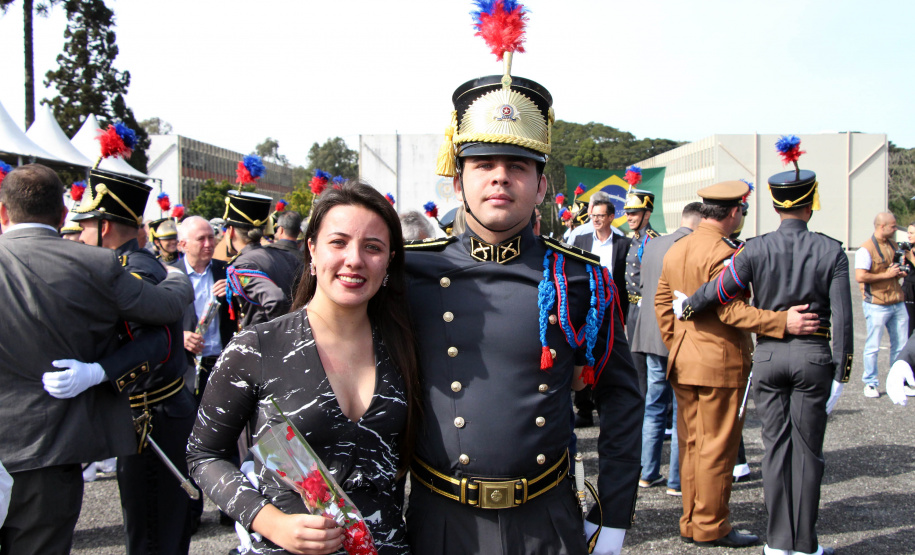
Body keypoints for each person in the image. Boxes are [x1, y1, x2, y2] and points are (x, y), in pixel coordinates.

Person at [404, 66, 642, 553]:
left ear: (540, 185)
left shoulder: (582, 280)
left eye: (517, 165)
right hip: (440, 523)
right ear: (458, 181)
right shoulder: (406, 274)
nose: (499, 176)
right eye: (483, 162)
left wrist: (613, 513)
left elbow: (621, 397)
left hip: (546, 522)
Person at [187, 182, 419, 554]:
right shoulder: (258, 346)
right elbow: (204, 455)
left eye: (372, 247)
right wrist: (269, 521)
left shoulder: (405, 348)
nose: (355, 259)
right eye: (338, 242)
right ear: (311, 249)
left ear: (390, 259)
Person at [0, 164, 192, 555]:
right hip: (49, 449)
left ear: (3, 212)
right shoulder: (94, 265)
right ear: (60, 216)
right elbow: (166, 306)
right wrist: (177, 274)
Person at [675, 154, 852, 555]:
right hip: (813, 358)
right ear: (810, 202)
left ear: (775, 205)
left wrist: (688, 307)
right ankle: (802, 542)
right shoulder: (832, 252)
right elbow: (842, 322)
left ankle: (776, 542)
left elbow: (720, 291)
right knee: (807, 455)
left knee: (775, 451)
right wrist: (842, 372)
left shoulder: (755, 249)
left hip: (769, 358)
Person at [655, 180, 818, 549]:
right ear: (733, 213)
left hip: (684, 360)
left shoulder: (678, 247)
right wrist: (782, 322)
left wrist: (677, 341)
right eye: (741, 210)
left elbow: (663, 303)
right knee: (717, 449)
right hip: (720, 363)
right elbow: (732, 311)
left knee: (692, 445)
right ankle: (711, 525)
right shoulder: (727, 252)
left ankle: (692, 521)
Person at [70, 169, 196, 554]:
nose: (80, 235)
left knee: (151, 533)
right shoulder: (135, 264)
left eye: (85, 225)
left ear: (104, 226)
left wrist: (100, 373)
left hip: (152, 417)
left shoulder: (132, 271)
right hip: (157, 414)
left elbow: (156, 344)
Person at [631, 202, 702, 495]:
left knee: (654, 407)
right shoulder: (693, 245)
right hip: (680, 336)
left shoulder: (654, 243)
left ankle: (648, 472)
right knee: (681, 413)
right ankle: (676, 480)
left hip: (650, 335)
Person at [571, 195, 632, 427]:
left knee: (611, 357)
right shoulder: (582, 241)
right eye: (593, 215)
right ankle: (584, 409)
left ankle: (609, 405)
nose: (595, 220)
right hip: (587, 310)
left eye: (600, 216)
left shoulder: (623, 244)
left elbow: (626, 283)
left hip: (613, 310)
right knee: (585, 357)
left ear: (611, 217)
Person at [170, 216, 235, 403]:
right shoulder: (169, 274)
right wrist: (179, 336)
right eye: (201, 239)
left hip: (222, 365)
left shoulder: (226, 270)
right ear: (183, 244)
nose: (208, 244)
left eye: (211, 237)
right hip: (187, 369)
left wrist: (234, 292)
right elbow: (155, 322)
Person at [223, 191, 300, 329]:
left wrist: (261, 334)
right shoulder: (286, 256)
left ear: (231, 231)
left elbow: (275, 299)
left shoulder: (241, 265)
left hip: (264, 345)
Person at [855, 212, 908, 398]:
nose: (895, 229)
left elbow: (894, 270)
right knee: (873, 346)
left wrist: (899, 273)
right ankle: (870, 383)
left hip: (897, 301)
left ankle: (898, 381)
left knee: (901, 345)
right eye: (893, 226)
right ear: (881, 227)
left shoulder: (894, 245)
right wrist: (887, 275)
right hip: (877, 304)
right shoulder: (865, 249)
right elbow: (860, 276)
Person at [624, 188, 660, 396]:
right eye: (628, 212)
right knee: (635, 361)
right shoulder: (634, 239)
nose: (629, 217)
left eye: (634, 213)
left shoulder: (653, 240)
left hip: (647, 308)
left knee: (649, 365)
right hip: (633, 308)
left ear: (647, 214)